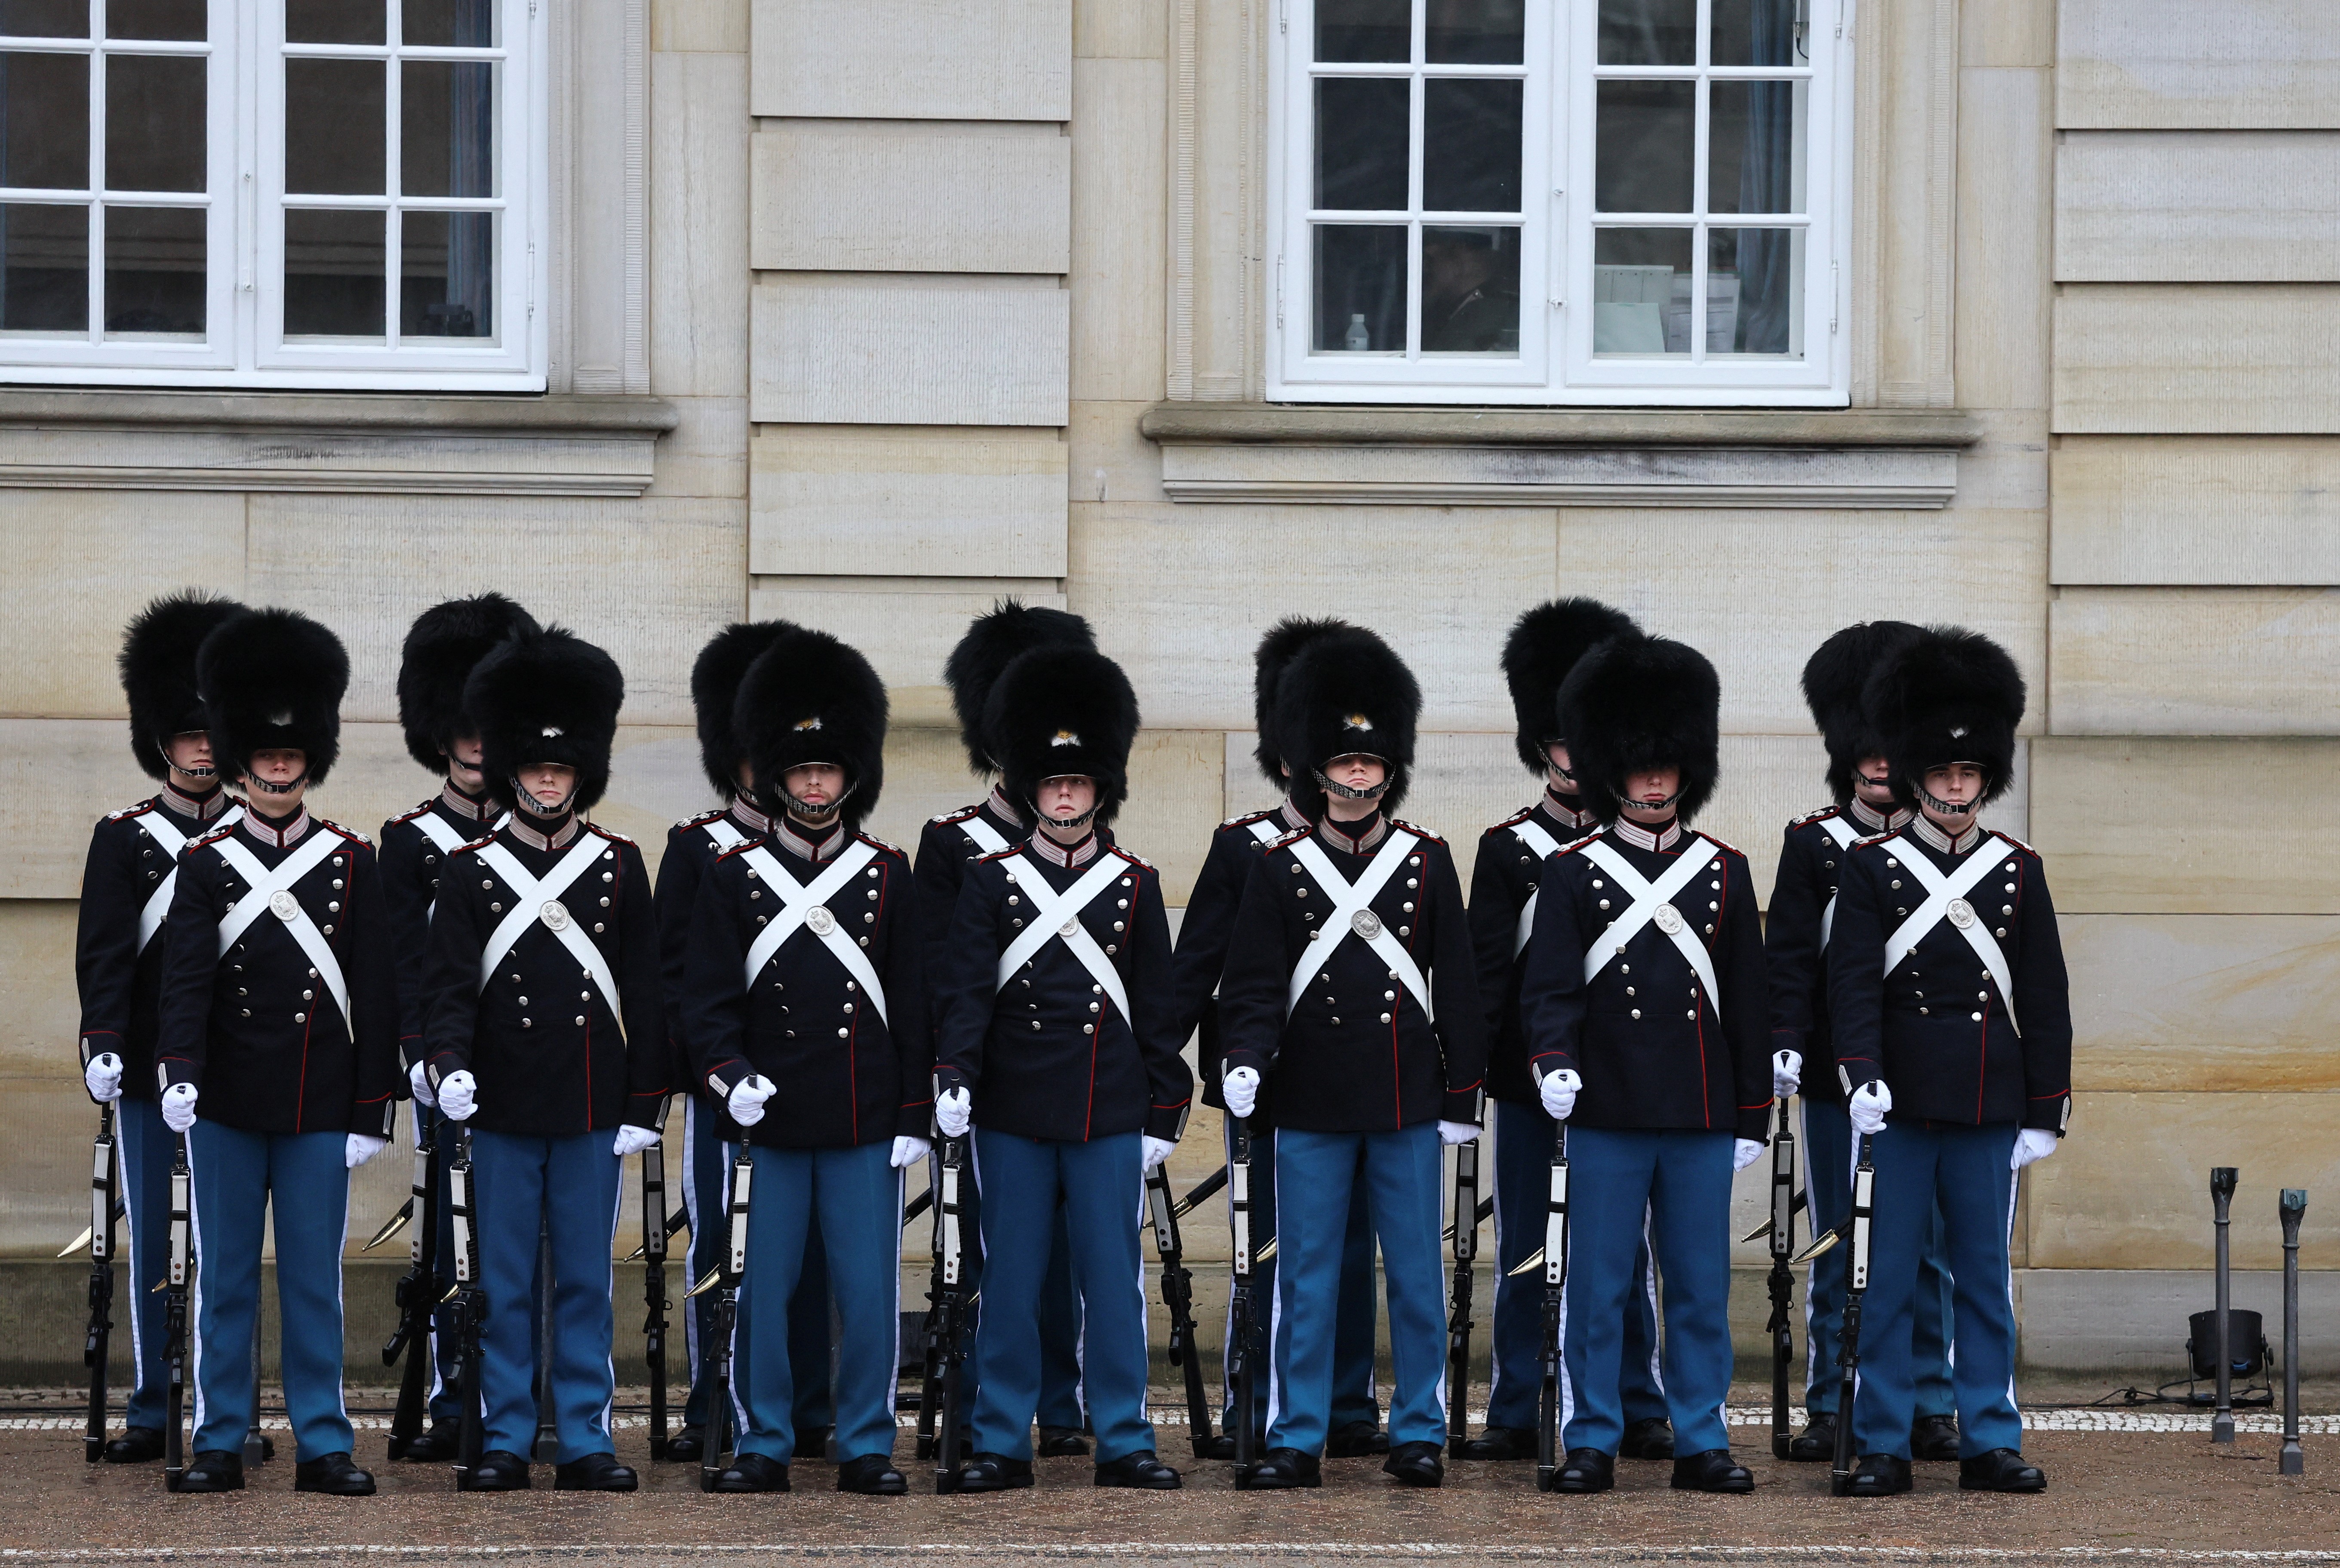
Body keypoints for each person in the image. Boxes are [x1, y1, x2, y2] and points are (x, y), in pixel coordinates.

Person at [1216, 623, 1487, 1491]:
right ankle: (1297, 1431)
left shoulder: (1427, 860)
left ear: (1387, 770)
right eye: (1345, 763)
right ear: (1316, 769)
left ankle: (1418, 1428)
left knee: (1414, 1275)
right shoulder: (1281, 866)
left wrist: (1462, 1094)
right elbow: (1254, 983)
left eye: (1371, 765)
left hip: (1405, 1097)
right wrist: (1245, 1058)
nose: (1358, 776)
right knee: (1306, 1277)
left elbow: (1460, 985)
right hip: (1309, 1100)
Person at [933, 639, 1191, 1492]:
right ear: (1035, 791)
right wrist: (956, 1080)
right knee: (1009, 1284)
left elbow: (1157, 1009)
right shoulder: (991, 880)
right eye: (1054, 783)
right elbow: (967, 993)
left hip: (1105, 1114)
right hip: (1012, 1112)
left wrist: (1164, 1110)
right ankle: (1002, 1437)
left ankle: (1123, 1436)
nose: (1067, 793)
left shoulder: (1132, 884)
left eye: (1079, 783)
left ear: (1098, 790)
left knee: (1114, 1288)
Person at [154, 606, 400, 1495]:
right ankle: (220, 1434)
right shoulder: (209, 862)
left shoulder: (350, 862)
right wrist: (177, 1074)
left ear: (311, 758)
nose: (279, 762)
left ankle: (324, 1441)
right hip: (224, 1103)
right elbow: (185, 984)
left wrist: (372, 1110)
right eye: (265, 752)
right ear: (241, 755)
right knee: (224, 1283)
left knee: (312, 1286)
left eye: (292, 752)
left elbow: (375, 992)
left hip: (314, 1109)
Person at [1519, 629, 1768, 1497]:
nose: (1655, 780)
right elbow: (1548, 990)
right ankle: (1593, 1434)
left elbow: (1746, 1002)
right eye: (1638, 766)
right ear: (1611, 769)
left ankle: (1702, 1435)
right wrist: (1553, 1061)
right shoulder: (1572, 874)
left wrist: (1750, 1119)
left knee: (1699, 1287)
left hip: (1697, 1112)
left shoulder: (1725, 874)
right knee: (1598, 1287)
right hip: (1607, 1111)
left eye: (1667, 765)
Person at [421, 624, 667, 1492]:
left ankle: (588, 1436)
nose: (549, 780)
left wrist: (646, 1102)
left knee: (584, 1285)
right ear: (514, 773)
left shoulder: (617, 866)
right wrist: (447, 1063)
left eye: (562, 770)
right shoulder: (471, 871)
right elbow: (447, 987)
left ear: (581, 774)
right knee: (504, 1282)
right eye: (534, 769)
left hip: (592, 1104)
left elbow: (646, 992)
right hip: (500, 1107)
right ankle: (506, 1433)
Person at [685, 626, 928, 1495]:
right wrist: (730, 1075)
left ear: (848, 778)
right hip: (773, 1122)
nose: (816, 784)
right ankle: (765, 1441)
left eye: (828, 771)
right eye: (802, 771)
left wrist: (912, 1118)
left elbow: (913, 1005)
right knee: (762, 1294)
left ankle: (866, 1442)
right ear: (778, 778)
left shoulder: (888, 876)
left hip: (864, 1121)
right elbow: (706, 1001)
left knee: (867, 1296)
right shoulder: (735, 877)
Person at [1828, 626, 2071, 1497]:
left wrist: (2045, 1110)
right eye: (1943, 772)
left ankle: (1989, 1438)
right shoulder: (1873, 869)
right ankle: (1886, 1439)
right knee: (1888, 1286)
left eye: (1970, 774)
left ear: (1984, 778)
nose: (1957, 785)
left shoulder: (2017, 871)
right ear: (1921, 775)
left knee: (1982, 1287)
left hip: (1985, 1110)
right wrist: (1860, 1076)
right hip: (1897, 1112)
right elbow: (1852, 986)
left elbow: (2043, 997)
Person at [1168, 619, 1389, 1461]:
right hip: (1269, 1080)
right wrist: (1165, 1075)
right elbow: (1196, 974)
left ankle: (1346, 1402)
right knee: (1266, 1245)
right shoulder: (1245, 848)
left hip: (1364, 1078)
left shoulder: (1387, 848)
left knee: (1355, 1244)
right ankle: (1256, 1398)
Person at [1464, 599, 1672, 1464]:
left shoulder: (1647, 851)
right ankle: (1518, 1400)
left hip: (1620, 1079)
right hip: (1527, 1077)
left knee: (1621, 1251)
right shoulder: (1507, 849)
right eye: (1556, 744)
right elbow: (1481, 979)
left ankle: (1637, 1397)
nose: (1570, 759)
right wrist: (1469, 1080)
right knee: (1524, 1246)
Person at [1766, 621, 1962, 1464]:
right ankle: (1831, 1396)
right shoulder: (1814, 844)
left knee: (1928, 1249)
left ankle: (1930, 1400)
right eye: (1867, 746)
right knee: (1842, 1241)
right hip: (1837, 1079)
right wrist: (1785, 1045)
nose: (1881, 761)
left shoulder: (1954, 844)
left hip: (1927, 1070)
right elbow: (1791, 961)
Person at [915, 600, 1097, 1456]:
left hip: (1081, 1081)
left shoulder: (1092, 843)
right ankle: (992, 1400)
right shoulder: (953, 842)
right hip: (991, 1084)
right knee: (995, 1255)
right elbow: (945, 975)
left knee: (1071, 1258)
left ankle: (1063, 1403)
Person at [74, 591, 249, 1466]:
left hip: (237, 1069)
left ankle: (231, 1406)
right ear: (161, 740)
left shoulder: (260, 839)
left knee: (226, 1250)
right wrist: (103, 1047)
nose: (203, 748)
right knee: (152, 1235)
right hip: (149, 1071)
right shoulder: (125, 839)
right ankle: (152, 1402)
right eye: (187, 735)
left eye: (213, 732)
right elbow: (104, 959)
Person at [658, 622, 837, 1463]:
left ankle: (808, 1403)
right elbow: (675, 980)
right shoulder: (698, 849)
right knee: (720, 1246)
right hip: (726, 1086)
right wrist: (709, 1074)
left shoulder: (839, 857)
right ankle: (713, 1403)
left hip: (818, 1085)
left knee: (809, 1255)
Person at [377, 592, 538, 1461]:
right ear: (441, 733)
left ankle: (522, 1393)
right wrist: (418, 1056)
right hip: (449, 1065)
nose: (480, 743)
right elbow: (403, 962)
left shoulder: (550, 841)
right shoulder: (409, 842)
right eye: (465, 727)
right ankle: (451, 1393)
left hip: (527, 1061)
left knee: (523, 1242)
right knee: (447, 1233)